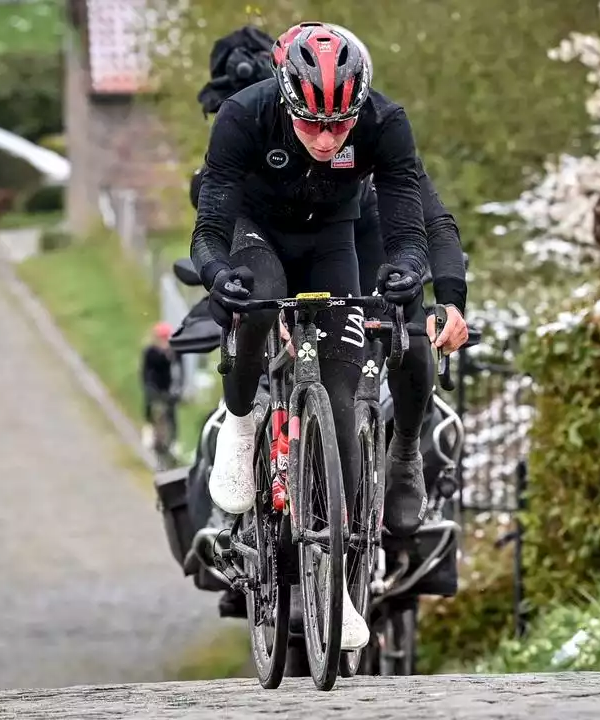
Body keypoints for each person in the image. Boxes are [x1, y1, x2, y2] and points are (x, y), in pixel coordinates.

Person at [191, 22, 431, 651]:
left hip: (333, 240)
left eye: (340, 127)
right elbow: (210, 223)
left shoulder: (385, 122)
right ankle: (242, 427)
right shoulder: (245, 116)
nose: (327, 140)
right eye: (312, 126)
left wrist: (407, 267)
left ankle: (342, 589)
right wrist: (219, 276)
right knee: (261, 305)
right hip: (255, 233)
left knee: (344, 395)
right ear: (288, 101)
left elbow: (409, 213)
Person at [141, 321, 182, 453]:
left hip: (167, 386)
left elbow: (178, 368)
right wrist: (148, 386)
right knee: (150, 406)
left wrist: (178, 387)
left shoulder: (173, 353)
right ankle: (149, 431)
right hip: (153, 384)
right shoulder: (150, 352)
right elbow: (147, 371)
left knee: (171, 412)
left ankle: (174, 442)